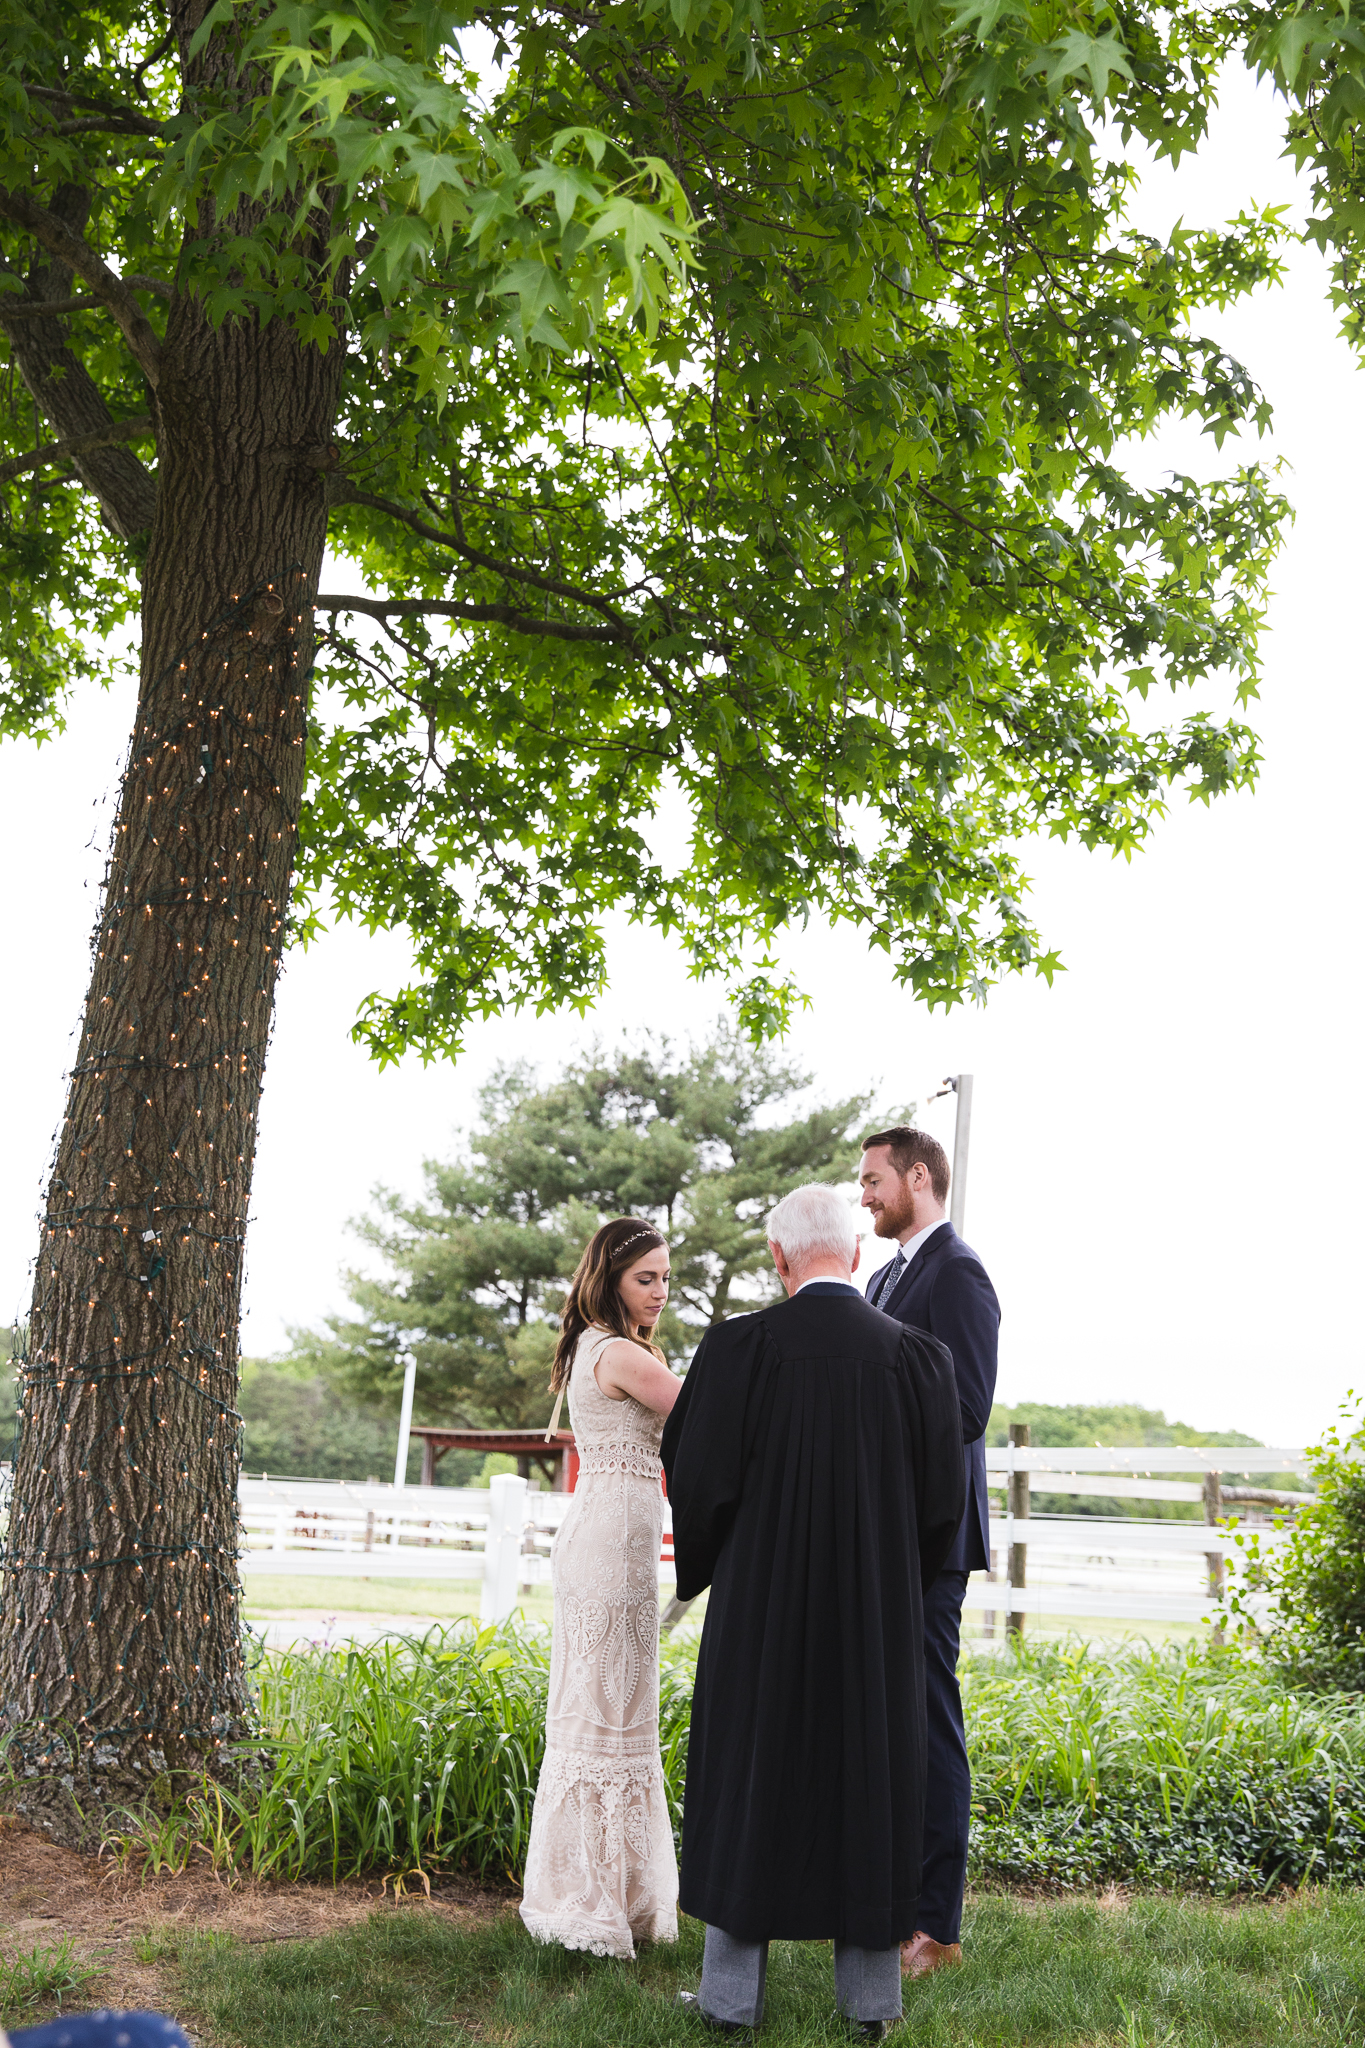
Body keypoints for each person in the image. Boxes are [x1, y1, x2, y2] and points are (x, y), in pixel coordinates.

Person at [661, 1184, 965, 2039]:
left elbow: (699, 1483)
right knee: (869, 1779)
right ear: (856, 1254)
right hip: (876, 1615)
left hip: (761, 1606)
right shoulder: (918, 1359)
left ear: (776, 1255)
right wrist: (890, 1576)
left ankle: (730, 2000)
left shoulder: (737, 1349)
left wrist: (719, 1567)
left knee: (752, 1774)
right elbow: (942, 1506)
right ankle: (870, 2004)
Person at [858, 1125, 1000, 1980]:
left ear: (919, 1175)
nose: (865, 1194)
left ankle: (936, 1929)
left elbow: (966, 1407)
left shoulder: (958, 1271)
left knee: (928, 1724)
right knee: (881, 1723)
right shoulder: (879, 1278)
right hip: (876, 1535)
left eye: (874, 1179)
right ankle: (881, 1902)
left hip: (928, 1535)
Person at [519, 1216, 681, 1959]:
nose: (658, 1291)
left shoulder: (596, 1346)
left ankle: (608, 1890)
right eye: (644, 1277)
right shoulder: (618, 1352)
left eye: (664, 1277)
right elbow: (701, 1414)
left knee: (605, 1708)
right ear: (611, 1279)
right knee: (608, 1712)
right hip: (611, 1550)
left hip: (607, 1539)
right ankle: (591, 1897)